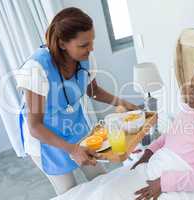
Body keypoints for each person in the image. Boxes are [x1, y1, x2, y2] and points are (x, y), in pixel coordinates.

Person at [52, 59, 194, 200]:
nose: (187, 94)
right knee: (104, 193)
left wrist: (164, 183)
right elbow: (170, 137)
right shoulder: (191, 111)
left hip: (184, 183)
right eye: (190, 86)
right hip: (157, 168)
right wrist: (148, 153)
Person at [15, 7, 138, 195]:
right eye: (84, 45)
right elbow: (35, 127)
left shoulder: (84, 57)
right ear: (63, 44)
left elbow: (93, 91)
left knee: (101, 180)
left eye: (91, 41)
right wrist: (73, 150)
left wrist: (122, 103)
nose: (91, 48)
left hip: (75, 128)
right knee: (70, 192)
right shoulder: (36, 69)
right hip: (45, 140)